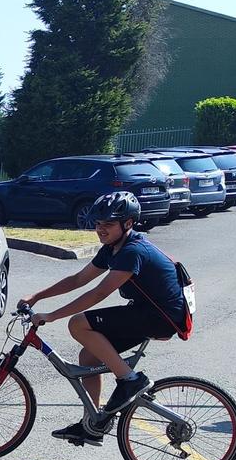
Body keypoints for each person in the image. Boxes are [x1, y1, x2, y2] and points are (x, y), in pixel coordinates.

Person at [22, 191, 186, 445]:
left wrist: (52, 316)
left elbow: (98, 293)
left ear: (128, 223)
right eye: (98, 224)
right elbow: (78, 279)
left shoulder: (132, 251)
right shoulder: (112, 248)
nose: (101, 230)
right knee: (88, 357)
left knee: (77, 323)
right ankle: (93, 422)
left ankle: (131, 380)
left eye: (108, 224)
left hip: (160, 316)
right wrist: (37, 296)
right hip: (148, 312)